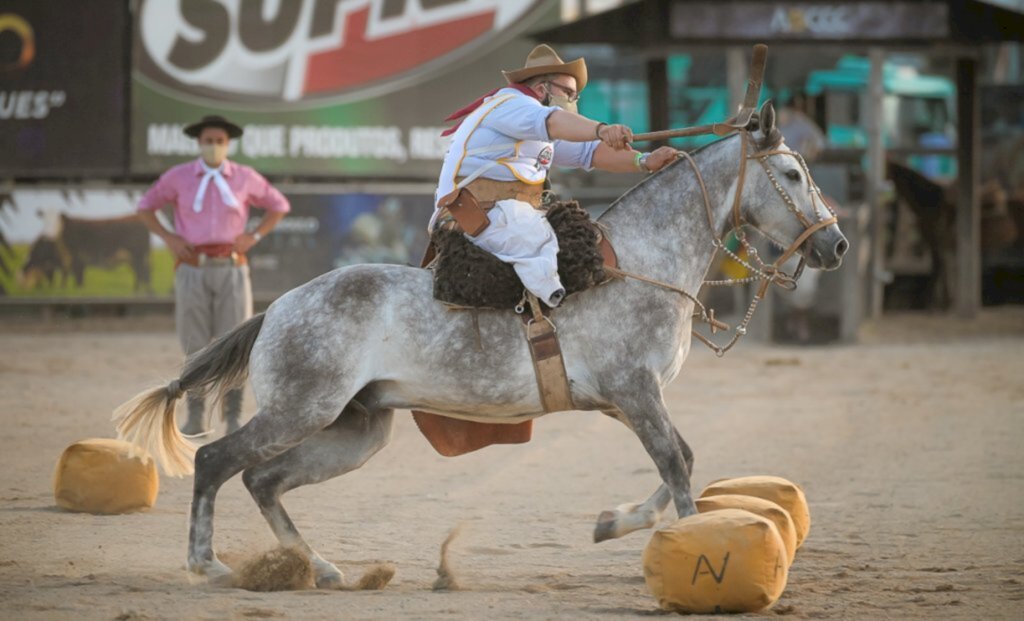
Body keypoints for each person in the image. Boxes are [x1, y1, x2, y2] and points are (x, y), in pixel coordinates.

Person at [431, 44, 679, 307]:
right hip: (475, 218)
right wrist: (602, 128)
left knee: (585, 243)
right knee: (554, 250)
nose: (573, 101)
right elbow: (553, 121)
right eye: (568, 93)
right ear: (542, 89)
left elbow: (589, 153)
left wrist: (644, 161)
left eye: (576, 96)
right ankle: (545, 320)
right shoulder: (512, 104)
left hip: (499, 217)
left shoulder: (535, 126)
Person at [136, 115, 289, 434]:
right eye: (208, 141)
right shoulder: (179, 177)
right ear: (198, 143)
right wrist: (169, 238)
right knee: (195, 344)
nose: (214, 146)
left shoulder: (244, 177)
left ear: (228, 144)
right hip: (193, 266)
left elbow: (278, 205)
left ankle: (231, 417)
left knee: (235, 341)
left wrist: (254, 236)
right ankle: (195, 415)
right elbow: (146, 206)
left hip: (232, 266)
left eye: (219, 141)